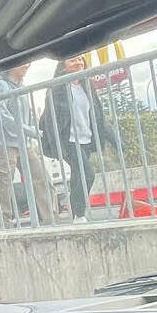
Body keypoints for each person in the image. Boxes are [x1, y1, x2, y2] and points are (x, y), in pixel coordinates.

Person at [0, 63, 56, 229]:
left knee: (41, 178)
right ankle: (4, 225)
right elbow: (3, 117)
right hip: (2, 143)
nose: (27, 65)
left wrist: (29, 132)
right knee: (4, 185)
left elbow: (26, 114)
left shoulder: (21, 86)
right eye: (22, 63)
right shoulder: (0, 86)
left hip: (22, 142)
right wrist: (29, 131)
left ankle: (50, 219)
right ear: (9, 67)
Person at [40, 56, 118, 222]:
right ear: (63, 66)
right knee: (87, 173)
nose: (78, 63)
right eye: (72, 60)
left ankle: (76, 214)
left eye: (80, 60)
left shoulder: (87, 86)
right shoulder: (56, 89)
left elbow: (98, 116)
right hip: (68, 140)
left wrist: (115, 140)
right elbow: (49, 119)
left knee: (78, 176)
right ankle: (79, 214)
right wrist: (57, 146)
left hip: (85, 139)